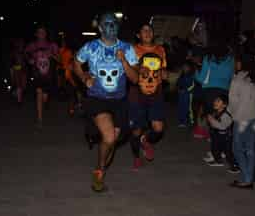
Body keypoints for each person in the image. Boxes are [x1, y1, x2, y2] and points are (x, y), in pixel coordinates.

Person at [74, 13, 138, 192]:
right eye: (107, 24)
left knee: (112, 142)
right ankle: (100, 171)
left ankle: (100, 167)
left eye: (114, 24)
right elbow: (76, 63)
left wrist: (123, 61)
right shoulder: (91, 47)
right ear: (100, 28)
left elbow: (135, 78)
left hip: (119, 101)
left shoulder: (127, 48)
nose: (111, 26)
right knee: (109, 137)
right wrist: (83, 76)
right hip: (97, 99)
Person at [128, 23, 167, 170]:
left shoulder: (160, 49)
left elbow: (162, 68)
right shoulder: (132, 50)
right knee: (136, 130)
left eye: (150, 30)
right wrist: (138, 68)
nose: (147, 32)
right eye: (143, 30)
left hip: (156, 92)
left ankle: (146, 140)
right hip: (136, 93)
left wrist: (164, 73)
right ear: (138, 35)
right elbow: (128, 68)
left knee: (158, 128)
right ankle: (137, 157)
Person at [228, 55, 255, 189]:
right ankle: (248, 178)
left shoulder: (237, 79)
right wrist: (253, 106)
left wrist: (234, 113)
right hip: (254, 117)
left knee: (237, 148)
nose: (235, 64)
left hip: (241, 118)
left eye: (236, 62)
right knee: (250, 149)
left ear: (241, 63)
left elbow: (232, 101)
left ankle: (246, 178)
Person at [194, 42, 234, 140]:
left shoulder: (208, 58)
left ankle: (215, 147)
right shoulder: (231, 59)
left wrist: (196, 72)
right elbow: (231, 77)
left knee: (212, 120)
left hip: (209, 92)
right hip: (224, 92)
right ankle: (223, 145)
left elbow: (202, 78)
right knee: (222, 118)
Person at [25, 26, 59, 129]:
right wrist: (29, 60)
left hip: (49, 75)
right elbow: (25, 54)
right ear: (36, 34)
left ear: (46, 34)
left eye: (43, 32)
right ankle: (39, 119)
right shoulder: (32, 45)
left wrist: (53, 55)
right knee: (39, 93)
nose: (41, 34)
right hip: (37, 74)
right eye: (39, 32)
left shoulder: (52, 45)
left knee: (45, 97)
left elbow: (59, 58)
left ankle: (46, 101)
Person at [205, 94, 238, 173]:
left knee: (228, 152)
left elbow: (222, 126)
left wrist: (211, 120)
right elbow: (212, 124)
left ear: (224, 105)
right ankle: (218, 160)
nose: (215, 102)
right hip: (217, 135)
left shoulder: (226, 115)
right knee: (215, 148)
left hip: (226, 137)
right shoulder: (215, 112)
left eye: (218, 101)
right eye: (215, 101)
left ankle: (235, 166)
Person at [176, 61, 194, 128]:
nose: (184, 68)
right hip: (181, 94)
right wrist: (178, 88)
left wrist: (185, 90)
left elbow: (192, 85)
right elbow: (178, 83)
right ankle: (182, 121)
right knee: (181, 107)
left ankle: (190, 121)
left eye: (186, 67)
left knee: (188, 108)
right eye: (184, 66)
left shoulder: (192, 75)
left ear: (189, 68)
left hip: (188, 94)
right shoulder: (182, 75)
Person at [10, 38, 27, 104]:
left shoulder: (24, 51)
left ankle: (17, 94)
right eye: (19, 43)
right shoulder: (14, 52)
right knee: (18, 84)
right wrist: (12, 70)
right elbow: (11, 62)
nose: (21, 44)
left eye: (22, 43)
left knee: (23, 85)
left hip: (24, 69)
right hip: (16, 69)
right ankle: (19, 101)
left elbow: (27, 60)